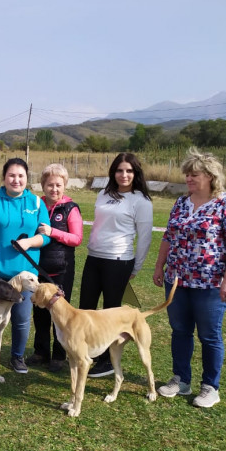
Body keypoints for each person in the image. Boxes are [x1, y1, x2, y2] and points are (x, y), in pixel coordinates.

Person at [154, 147, 226, 408]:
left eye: (194, 175)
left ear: (210, 177)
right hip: (177, 281)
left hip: (210, 283)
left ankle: (210, 387)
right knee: (180, 330)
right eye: (187, 174)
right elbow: (168, 236)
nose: (188, 179)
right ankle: (181, 379)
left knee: (209, 335)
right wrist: (160, 266)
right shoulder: (181, 203)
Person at [0, 157, 51, 374]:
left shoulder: (36, 203)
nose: (16, 180)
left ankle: (17, 357)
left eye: (20, 176)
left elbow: (46, 236)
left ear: (27, 178)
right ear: (4, 177)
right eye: (11, 175)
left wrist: (29, 242)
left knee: (21, 318)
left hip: (25, 276)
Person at [79, 152, 153, 378]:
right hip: (94, 258)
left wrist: (136, 267)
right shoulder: (103, 194)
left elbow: (145, 238)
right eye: (120, 170)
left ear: (136, 173)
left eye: (129, 171)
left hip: (119, 261)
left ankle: (106, 361)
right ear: (113, 172)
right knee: (86, 308)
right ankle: (87, 353)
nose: (124, 175)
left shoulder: (141, 201)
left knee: (110, 313)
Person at [27, 163, 83, 372]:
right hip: (38, 268)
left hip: (61, 269)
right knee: (39, 310)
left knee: (60, 315)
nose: (54, 189)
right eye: (50, 185)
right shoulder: (36, 205)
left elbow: (77, 238)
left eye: (58, 185)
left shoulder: (70, 208)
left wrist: (53, 232)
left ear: (64, 185)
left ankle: (59, 356)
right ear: (43, 185)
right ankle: (40, 352)